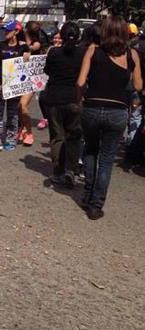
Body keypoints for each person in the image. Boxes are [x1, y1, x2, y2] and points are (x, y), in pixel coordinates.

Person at [76, 15, 142, 220]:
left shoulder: (93, 51)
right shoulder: (132, 55)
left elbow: (80, 82)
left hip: (92, 106)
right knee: (106, 160)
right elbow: (139, 86)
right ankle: (96, 205)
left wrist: (81, 99)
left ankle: (87, 194)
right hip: (117, 110)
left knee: (90, 150)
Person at [43, 22, 85, 187]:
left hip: (54, 99)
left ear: (62, 35)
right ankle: (70, 169)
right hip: (74, 99)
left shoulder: (54, 53)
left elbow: (47, 71)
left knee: (57, 136)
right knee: (74, 136)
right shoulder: (83, 54)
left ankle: (58, 171)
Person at [0, 20, 30, 152]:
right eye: (5, 30)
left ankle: (11, 139)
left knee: (12, 115)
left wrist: (27, 52)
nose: (5, 33)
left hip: (14, 86)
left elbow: (28, 61)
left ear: (16, 31)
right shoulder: (0, 44)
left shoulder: (23, 47)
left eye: (8, 30)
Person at [17, 21, 42, 146]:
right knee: (18, 107)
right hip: (17, 77)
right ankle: (22, 127)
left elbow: (33, 48)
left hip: (31, 78)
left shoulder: (36, 43)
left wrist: (24, 46)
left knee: (23, 104)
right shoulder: (18, 38)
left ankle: (29, 132)